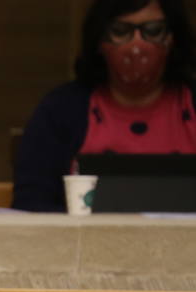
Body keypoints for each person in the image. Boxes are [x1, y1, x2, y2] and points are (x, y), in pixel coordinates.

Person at [14, 0, 196, 212]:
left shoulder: (190, 101)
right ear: (100, 39)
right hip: (84, 243)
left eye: (153, 31)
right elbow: (30, 205)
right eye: (121, 31)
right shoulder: (62, 109)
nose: (137, 45)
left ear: (173, 38)